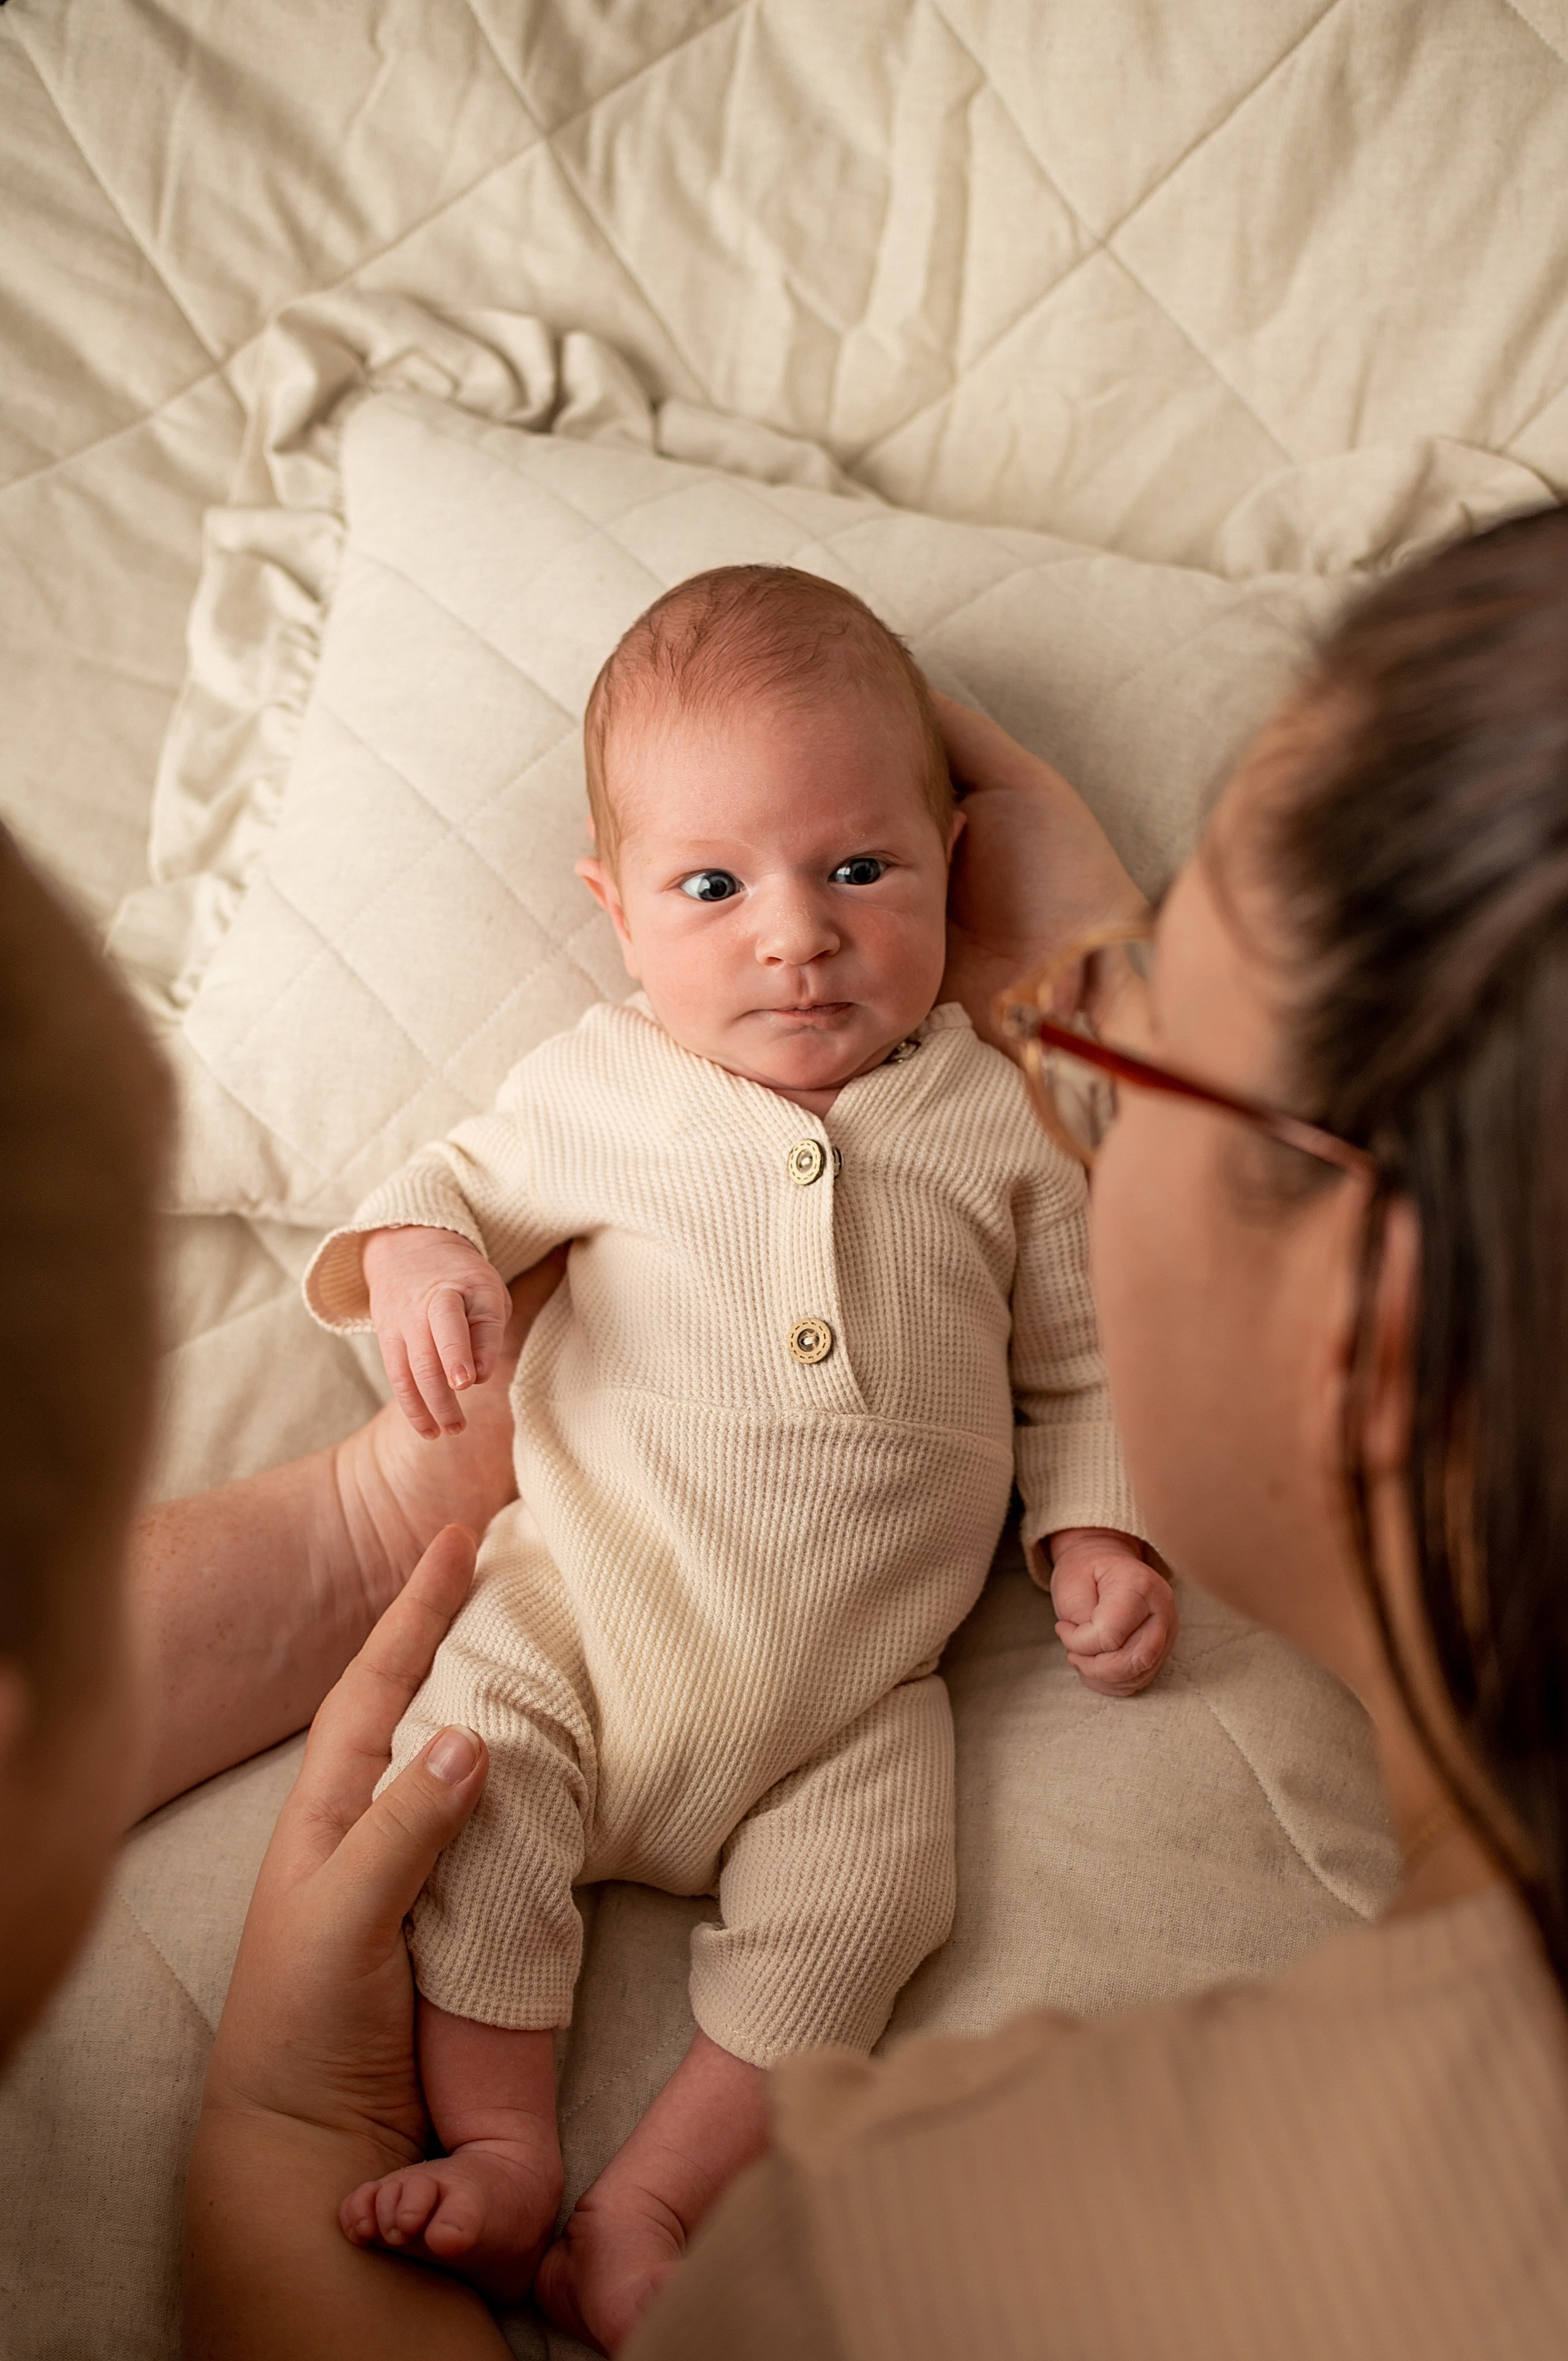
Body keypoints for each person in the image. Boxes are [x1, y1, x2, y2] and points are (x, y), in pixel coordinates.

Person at [299, 565, 1166, 2348]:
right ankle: (511, 2150)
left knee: (882, 1894)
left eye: (860, 870)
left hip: (853, 1697)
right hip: (586, 1630)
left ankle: (656, 2198)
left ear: (951, 867)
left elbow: (1084, 1365)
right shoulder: (600, 1085)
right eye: (715, 887)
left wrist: (1102, 1530)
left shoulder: (1001, 1116)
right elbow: (436, 1193)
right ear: (617, 916)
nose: (798, 935)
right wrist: (418, 1261)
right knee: (463, 1789)